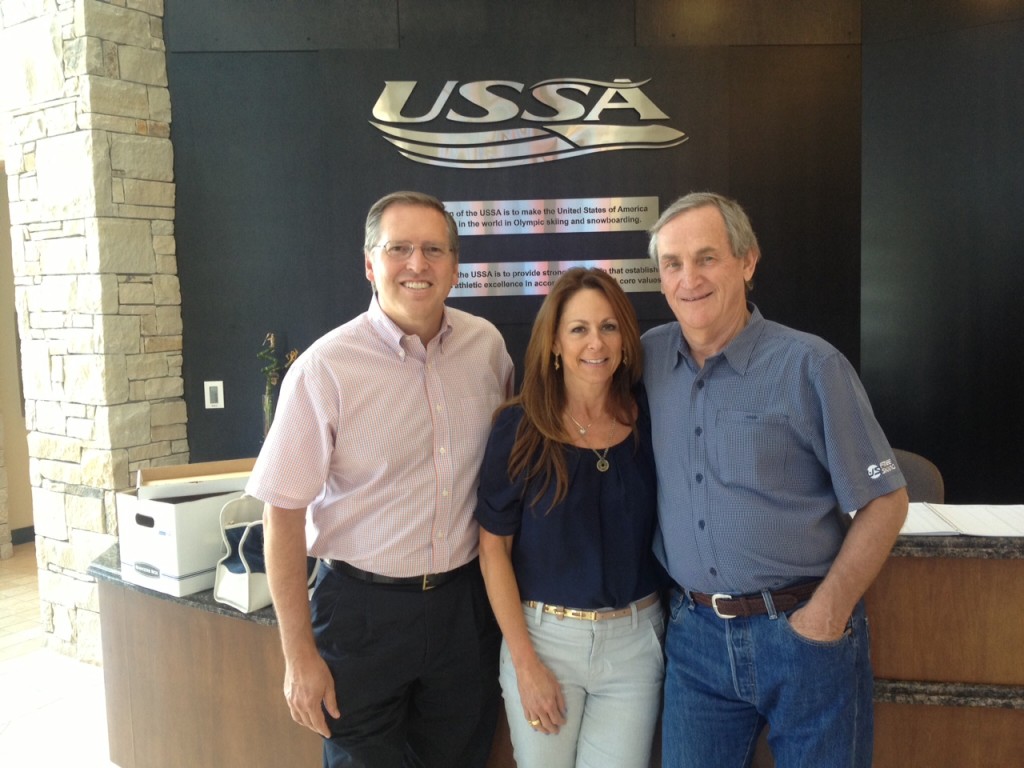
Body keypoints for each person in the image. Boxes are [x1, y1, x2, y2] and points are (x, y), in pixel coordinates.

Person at [246, 191, 514, 768]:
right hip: (358, 616)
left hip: (462, 612)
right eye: (399, 249)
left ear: (455, 266)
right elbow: (282, 513)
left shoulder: (488, 349)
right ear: (370, 264)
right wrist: (298, 655)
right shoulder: (324, 369)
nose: (417, 264)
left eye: (433, 250)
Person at [642, 192, 909, 768]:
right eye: (673, 264)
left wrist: (827, 613)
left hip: (804, 634)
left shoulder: (810, 365)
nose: (689, 279)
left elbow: (886, 500)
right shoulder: (645, 361)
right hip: (695, 640)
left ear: (747, 262)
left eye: (707, 258)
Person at [475, 267, 666, 768]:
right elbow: (493, 548)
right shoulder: (518, 427)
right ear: (555, 343)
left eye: (608, 326)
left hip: (634, 643)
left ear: (625, 338)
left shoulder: (650, 418)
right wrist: (524, 663)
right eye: (578, 328)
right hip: (543, 641)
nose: (595, 343)